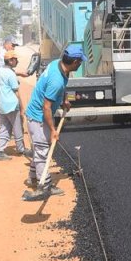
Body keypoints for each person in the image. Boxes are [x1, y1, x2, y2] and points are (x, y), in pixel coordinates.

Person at [22, 44, 84, 199]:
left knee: (39, 149)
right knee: (43, 152)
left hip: (37, 114)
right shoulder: (56, 79)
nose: (81, 63)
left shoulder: (58, 65)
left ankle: (32, 177)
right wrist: (53, 129)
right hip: (38, 117)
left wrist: (64, 101)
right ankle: (45, 186)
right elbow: (46, 107)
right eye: (80, 61)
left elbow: (62, 87)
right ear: (75, 62)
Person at [0, 50, 28, 161]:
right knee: (18, 127)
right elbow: (16, 92)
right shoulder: (10, 74)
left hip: (2, 105)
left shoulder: (0, 71)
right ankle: (21, 149)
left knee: (4, 128)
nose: (17, 61)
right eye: (15, 59)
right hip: (12, 105)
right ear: (10, 60)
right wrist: (22, 108)